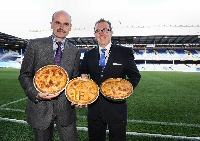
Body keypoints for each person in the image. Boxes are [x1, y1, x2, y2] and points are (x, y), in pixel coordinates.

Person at [18, 10, 81, 141]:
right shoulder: (35, 45)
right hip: (40, 109)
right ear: (51, 24)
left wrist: (78, 94)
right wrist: (36, 93)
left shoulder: (75, 51)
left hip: (66, 109)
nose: (61, 27)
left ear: (70, 27)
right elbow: (24, 75)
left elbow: (74, 79)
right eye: (58, 22)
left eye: (65, 24)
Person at [80, 18, 141, 141]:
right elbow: (83, 74)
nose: (101, 33)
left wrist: (125, 90)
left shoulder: (124, 52)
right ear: (95, 34)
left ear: (111, 32)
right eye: (98, 31)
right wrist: (84, 83)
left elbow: (135, 75)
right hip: (94, 110)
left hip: (117, 109)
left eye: (105, 30)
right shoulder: (88, 55)